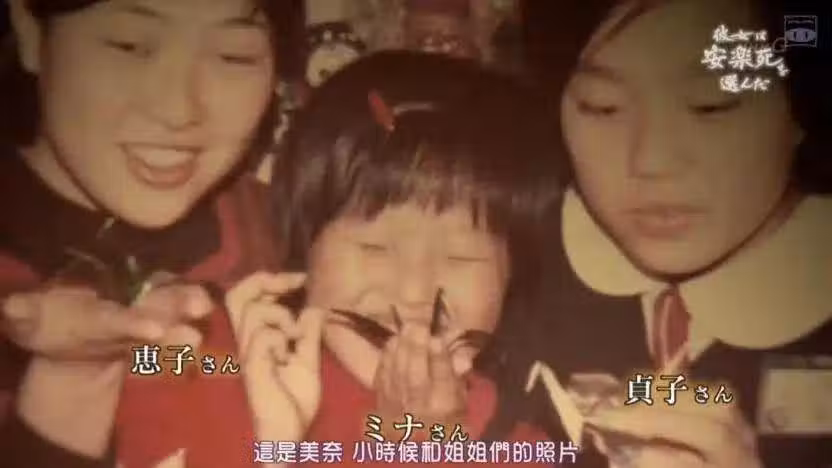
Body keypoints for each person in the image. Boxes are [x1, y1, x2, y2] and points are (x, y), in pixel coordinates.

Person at [508, 0, 832, 467]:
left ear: (801, 104)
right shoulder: (510, 253)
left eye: (711, 104)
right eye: (602, 106)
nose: (652, 160)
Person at [0, 1, 304, 467]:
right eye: (129, 45)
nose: (178, 110)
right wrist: (68, 393)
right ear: (30, 31)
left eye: (234, 55)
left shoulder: (302, 237)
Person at [226, 51, 564, 466]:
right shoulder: (214, 371)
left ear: (513, 276)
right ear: (303, 247)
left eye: (460, 257)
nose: (414, 292)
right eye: (375, 248)